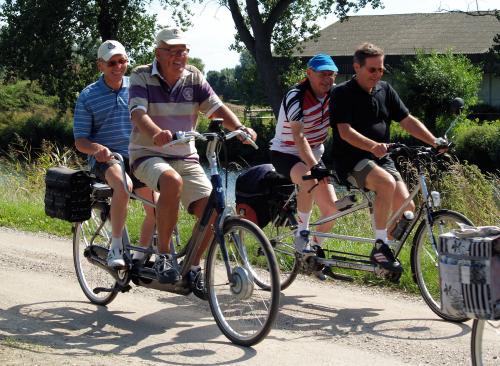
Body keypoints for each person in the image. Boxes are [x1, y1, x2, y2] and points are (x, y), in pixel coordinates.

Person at [128, 28, 256, 284]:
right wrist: (155, 133)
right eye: (173, 51)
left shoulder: (194, 77)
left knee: (216, 211)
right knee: (171, 181)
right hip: (147, 154)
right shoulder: (141, 75)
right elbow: (137, 113)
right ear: (158, 53)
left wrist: (240, 128)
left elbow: (216, 108)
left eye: (183, 51)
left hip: (186, 156)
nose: (179, 56)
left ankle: (192, 266)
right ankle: (164, 254)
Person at [329, 43, 447, 274]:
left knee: (407, 210)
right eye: (372, 70)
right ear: (357, 67)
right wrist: (373, 146)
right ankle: (380, 246)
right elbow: (344, 131)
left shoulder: (385, 89)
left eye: (380, 70)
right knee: (386, 183)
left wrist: (434, 141)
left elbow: (407, 120)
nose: (377, 75)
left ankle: (383, 257)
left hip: (382, 159)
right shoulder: (341, 93)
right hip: (351, 160)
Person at [73, 40, 157, 268]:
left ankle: (140, 257)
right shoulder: (88, 95)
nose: (118, 67)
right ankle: (116, 248)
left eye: (122, 61)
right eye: (112, 63)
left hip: (138, 155)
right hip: (107, 159)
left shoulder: (137, 88)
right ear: (101, 65)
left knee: (157, 206)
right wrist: (96, 149)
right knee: (123, 186)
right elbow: (80, 140)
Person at [269, 53, 339, 279]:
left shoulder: (334, 96)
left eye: (331, 75)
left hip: (314, 151)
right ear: (309, 73)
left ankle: (313, 253)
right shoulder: (295, 95)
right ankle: (302, 235)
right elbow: (299, 137)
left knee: (331, 211)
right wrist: (315, 165)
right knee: (308, 178)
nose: (327, 79)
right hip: (285, 152)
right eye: (322, 74)